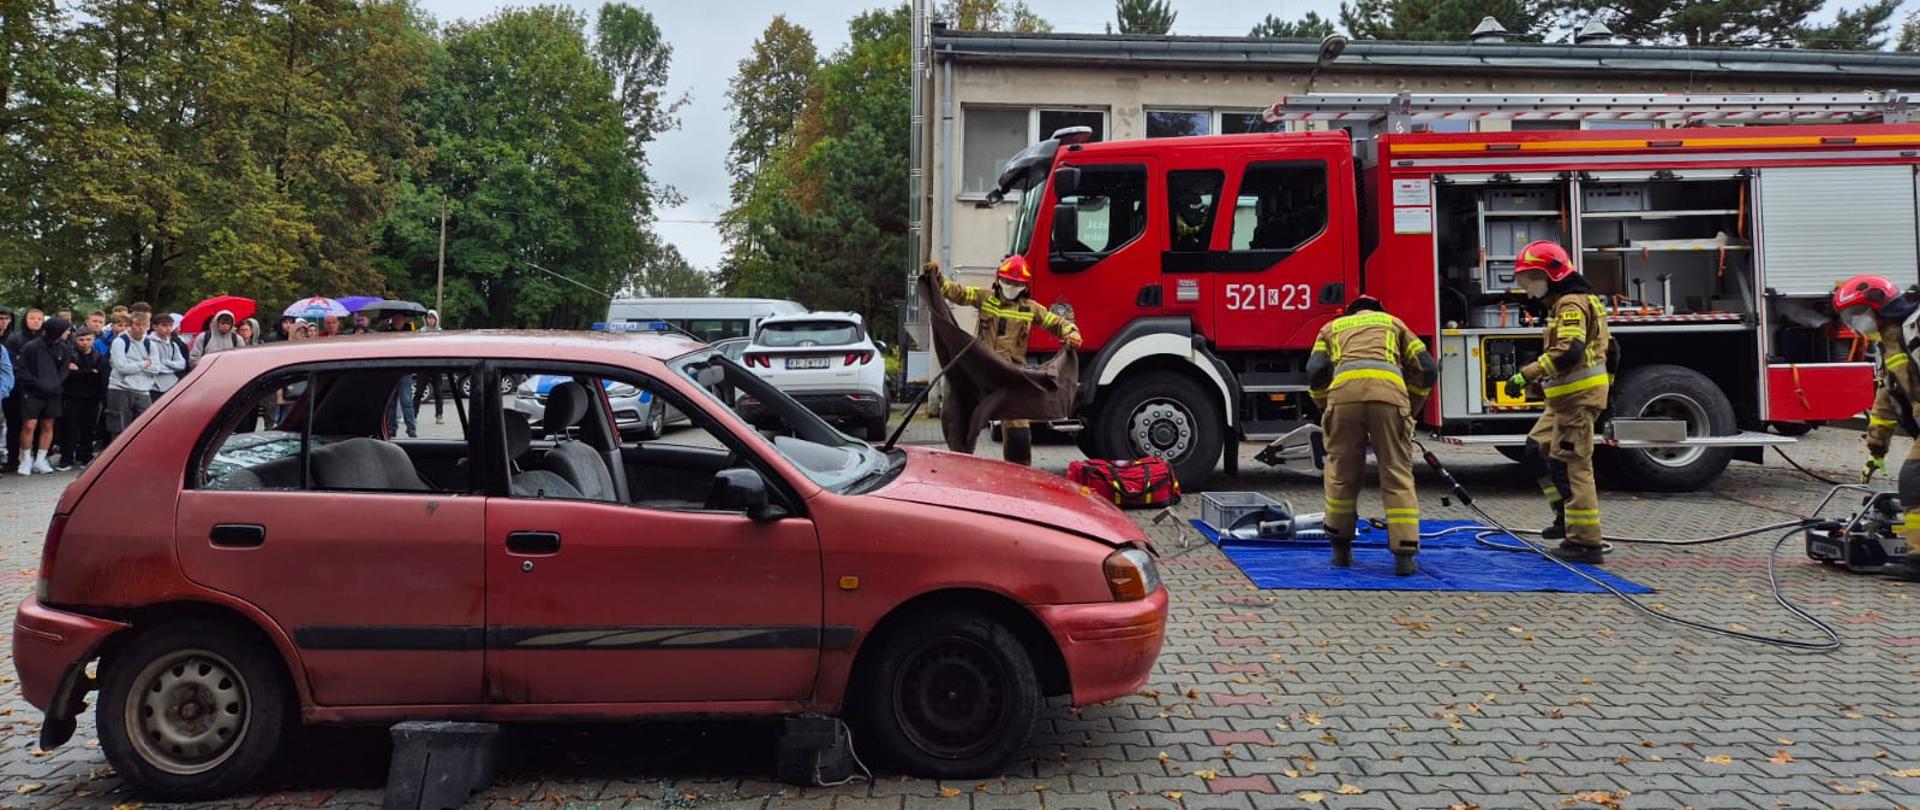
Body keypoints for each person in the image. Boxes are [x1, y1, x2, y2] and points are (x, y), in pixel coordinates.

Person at [1305, 296, 1436, 576]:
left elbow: (1315, 371)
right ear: (1379, 311)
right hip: (1389, 398)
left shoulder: (1331, 328)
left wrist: (1324, 405)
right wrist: (1412, 406)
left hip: (1343, 399)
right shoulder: (1394, 323)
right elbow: (1427, 367)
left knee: (1341, 474)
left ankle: (1341, 551)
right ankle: (1404, 556)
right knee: (1396, 473)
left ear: (1350, 313)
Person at [1504, 241, 1616, 565]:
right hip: (1564, 400)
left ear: (1551, 274)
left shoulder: (1570, 303)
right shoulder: (1569, 302)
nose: (1527, 286)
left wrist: (1526, 375)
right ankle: (1564, 517)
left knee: (1572, 465)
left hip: (1576, 401)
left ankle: (1585, 542)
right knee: (1536, 448)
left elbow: (1570, 351)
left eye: (1531, 278)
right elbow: (1613, 351)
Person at [923, 256, 1082, 465]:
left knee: (1017, 425)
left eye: (1017, 284)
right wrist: (937, 278)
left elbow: (1057, 323)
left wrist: (1072, 332)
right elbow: (957, 292)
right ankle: (961, 464)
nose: (1011, 287)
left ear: (1025, 286)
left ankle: (1020, 470)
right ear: (998, 280)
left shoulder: (1031, 308)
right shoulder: (985, 298)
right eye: (1007, 281)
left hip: (1010, 375)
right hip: (981, 371)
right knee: (961, 414)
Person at [1838, 275, 1920, 581]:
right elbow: (1886, 400)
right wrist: (1876, 448)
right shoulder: (1886, 343)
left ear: (1878, 304)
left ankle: (1918, 560)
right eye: (1850, 317)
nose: (1856, 322)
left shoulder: (1914, 328)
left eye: (1857, 313)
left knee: (1914, 479)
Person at [15, 317, 74, 476]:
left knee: (48, 425)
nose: (68, 332)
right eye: (66, 330)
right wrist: (38, 384)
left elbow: (64, 371)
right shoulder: (31, 347)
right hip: (32, 391)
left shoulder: (64, 349)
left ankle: (41, 459)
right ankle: (26, 459)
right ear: (57, 331)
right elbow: (22, 370)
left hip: (53, 393)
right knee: (29, 425)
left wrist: (55, 384)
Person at [58, 328, 104, 470]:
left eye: (88, 339)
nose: (84, 343)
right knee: (70, 428)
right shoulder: (70, 355)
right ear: (76, 340)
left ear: (93, 340)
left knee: (88, 428)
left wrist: (81, 372)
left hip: (92, 397)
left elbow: (99, 375)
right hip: (72, 396)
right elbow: (69, 375)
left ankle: (85, 457)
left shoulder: (98, 356)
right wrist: (89, 372)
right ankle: (67, 458)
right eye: (81, 340)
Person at [107, 312, 160, 436]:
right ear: (130, 325)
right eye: (137, 324)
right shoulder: (120, 342)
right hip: (120, 388)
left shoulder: (150, 344)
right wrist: (144, 363)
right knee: (119, 430)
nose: (141, 328)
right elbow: (121, 367)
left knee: (144, 429)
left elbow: (156, 368)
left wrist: (133, 364)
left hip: (143, 390)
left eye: (144, 325)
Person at [5, 308, 43, 469]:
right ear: (25, 320)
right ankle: (13, 459)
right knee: (14, 425)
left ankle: (34, 457)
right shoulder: (15, 339)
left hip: (38, 389)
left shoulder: (45, 339)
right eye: (32, 318)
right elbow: (11, 363)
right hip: (17, 388)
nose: (35, 321)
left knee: (36, 424)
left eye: (39, 319)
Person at [150, 314, 189, 398]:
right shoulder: (148, 343)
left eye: (170, 325)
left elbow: (182, 364)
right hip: (153, 387)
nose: (168, 328)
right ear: (155, 327)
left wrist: (167, 363)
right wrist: (172, 368)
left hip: (172, 384)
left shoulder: (173, 344)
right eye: (164, 325)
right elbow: (154, 368)